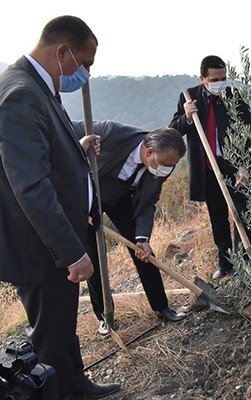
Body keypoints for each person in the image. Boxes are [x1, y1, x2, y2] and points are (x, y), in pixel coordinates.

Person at [0, 15, 120, 399]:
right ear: (63, 52)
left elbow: (43, 154)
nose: (84, 74)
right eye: (84, 65)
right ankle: (56, 392)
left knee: (63, 323)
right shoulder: (19, 92)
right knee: (49, 335)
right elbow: (30, 185)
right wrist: (71, 251)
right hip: (42, 248)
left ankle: (75, 384)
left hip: (59, 239)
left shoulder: (39, 87)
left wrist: (75, 149)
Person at [74, 121, 188, 335]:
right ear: (150, 151)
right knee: (95, 256)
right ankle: (104, 317)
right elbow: (64, 131)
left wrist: (142, 237)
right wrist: (80, 146)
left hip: (121, 198)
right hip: (88, 196)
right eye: (164, 163)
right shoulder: (109, 132)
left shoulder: (163, 165)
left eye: (171, 166)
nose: (167, 170)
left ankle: (161, 306)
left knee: (143, 252)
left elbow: (147, 202)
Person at [170, 55, 251, 279]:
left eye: (224, 78)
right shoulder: (189, 97)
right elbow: (174, 130)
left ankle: (245, 264)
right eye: (215, 79)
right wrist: (187, 117)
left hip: (234, 167)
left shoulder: (234, 96)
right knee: (218, 217)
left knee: (241, 214)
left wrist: (245, 166)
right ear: (203, 78)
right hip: (207, 168)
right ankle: (226, 264)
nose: (221, 83)